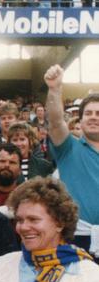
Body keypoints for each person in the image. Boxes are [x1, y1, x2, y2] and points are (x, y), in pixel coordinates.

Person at [44, 64, 99, 259]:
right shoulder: (68, 147)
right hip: (76, 239)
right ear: (80, 119)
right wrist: (54, 89)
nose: (93, 117)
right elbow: (56, 122)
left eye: (98, 114)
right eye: (89, 113)